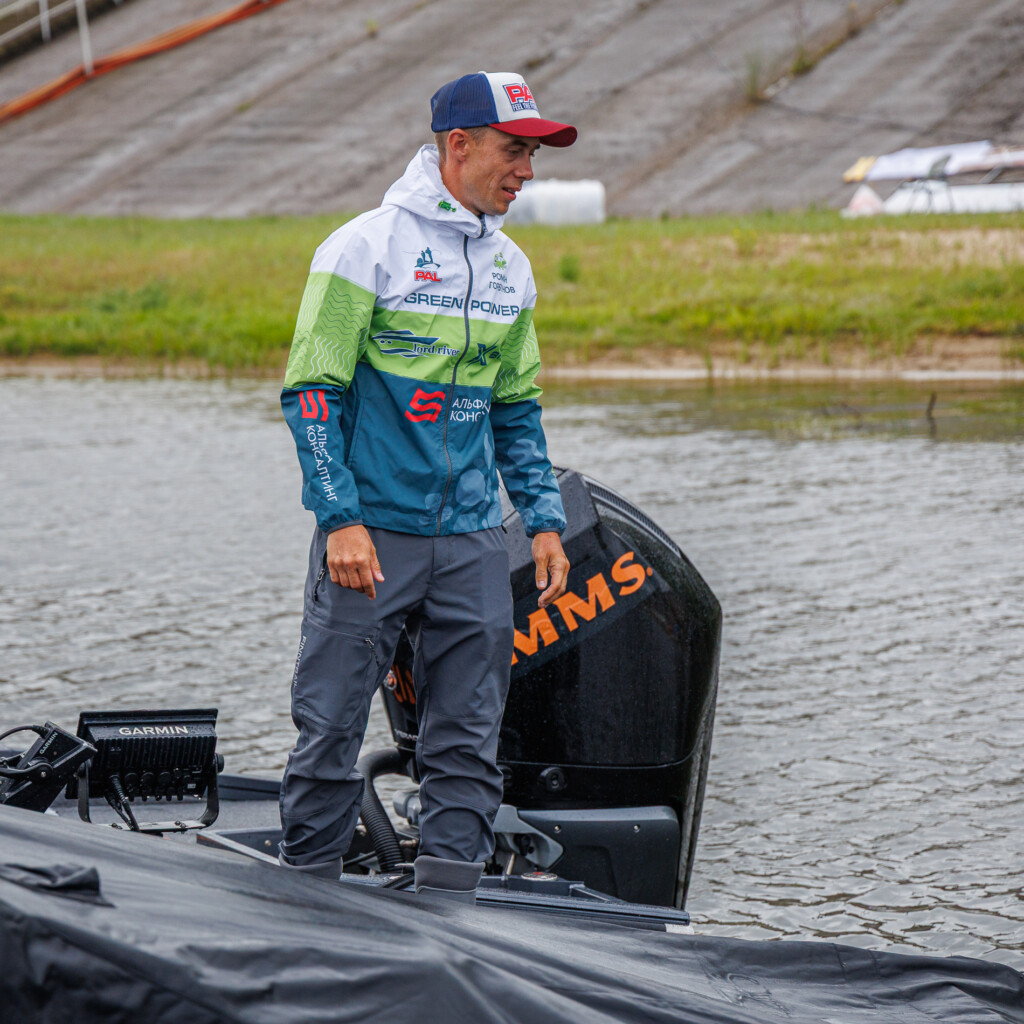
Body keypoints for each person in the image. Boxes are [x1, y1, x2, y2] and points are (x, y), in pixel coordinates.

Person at [277, 72, 575, 901]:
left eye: (534, 155)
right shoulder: (361, 248)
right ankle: (304, 900)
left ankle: (449, 907)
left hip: (474, 539)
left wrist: (543, 520)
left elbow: (515, 407)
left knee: (469, 739)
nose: (527, 171)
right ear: (459, 145)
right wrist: (340, 518)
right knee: (331, 725)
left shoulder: (512, 268)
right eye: (514, 151)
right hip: (371, 537)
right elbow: (312, 394)